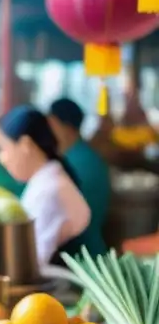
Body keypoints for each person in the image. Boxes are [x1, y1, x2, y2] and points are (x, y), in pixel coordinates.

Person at [0, 105, 91, 268]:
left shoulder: (49, 190)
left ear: (25, 144)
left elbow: (31, 262)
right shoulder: (47, 180)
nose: (1, 158)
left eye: (3, 148)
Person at [48, 98, 110, 256]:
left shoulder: (77, 164)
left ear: (66, 128)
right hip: (89, 251)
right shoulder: (83, 156)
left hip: (83, 256)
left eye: (51, 125)